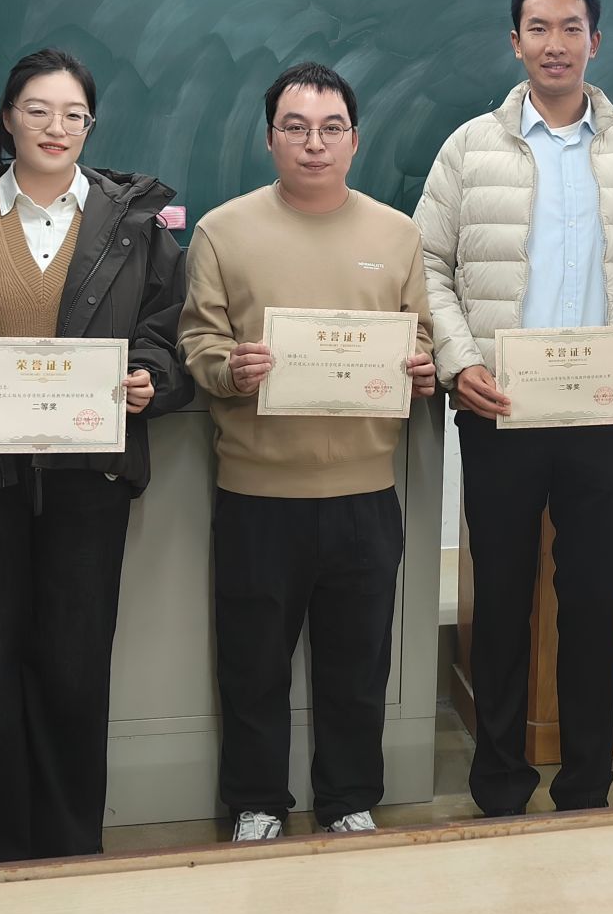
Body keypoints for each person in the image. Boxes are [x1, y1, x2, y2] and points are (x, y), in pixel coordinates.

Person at [0, 47, 192, 866]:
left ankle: (66, 850)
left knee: (76, 668)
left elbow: (168, 336)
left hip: (88, 479)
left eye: (74, 114)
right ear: (9, 117)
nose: (57, 128)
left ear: (91, 125)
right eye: (39, 110)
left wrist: (150, 378)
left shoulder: (134, 224)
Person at [415, 0, 613, 816]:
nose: (555, 44)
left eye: (571, 28)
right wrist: (461, 364)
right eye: (539, 28)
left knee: (594, 606)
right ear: (515, 41)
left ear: (595, 41)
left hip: (604, 413)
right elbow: (427, 265)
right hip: (500, 411)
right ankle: (499, 780)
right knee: (500, 604)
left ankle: (586, 783)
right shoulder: (469, 148)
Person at [179, 61, 436, 842]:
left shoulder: (397, 234)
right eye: (295, 127)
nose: (313, 143)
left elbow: (422, 337)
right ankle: (256, 804)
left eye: (330, 128)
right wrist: (231, 368)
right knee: (252, 665)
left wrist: (422, 367)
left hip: (364, 491)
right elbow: (198, 341)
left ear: (356, 140)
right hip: (257, 493)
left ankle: (348, 798)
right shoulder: (222, 231)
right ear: (270, 139)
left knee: (357, 665)